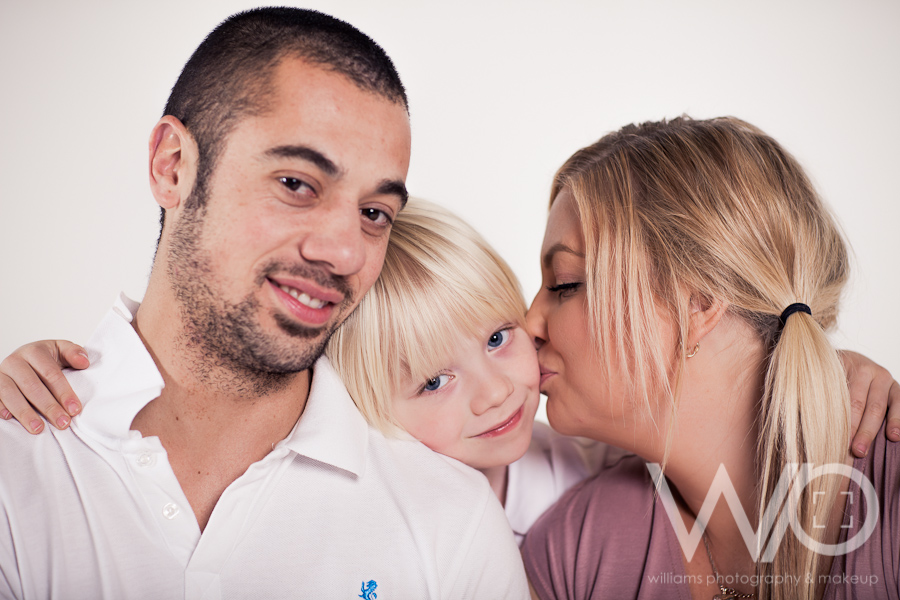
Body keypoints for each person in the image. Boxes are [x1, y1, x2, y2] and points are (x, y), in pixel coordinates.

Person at [0, 8, 527, 599]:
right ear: (172, 166)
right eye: (297, 184)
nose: (344, 252)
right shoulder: (15, 466)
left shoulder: (452, 521)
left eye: (374, 213)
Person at [521, 116, 900, 599]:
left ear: (697, 303)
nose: (530, 322)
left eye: (564, 284)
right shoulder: (573, 550)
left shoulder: (890, 500)